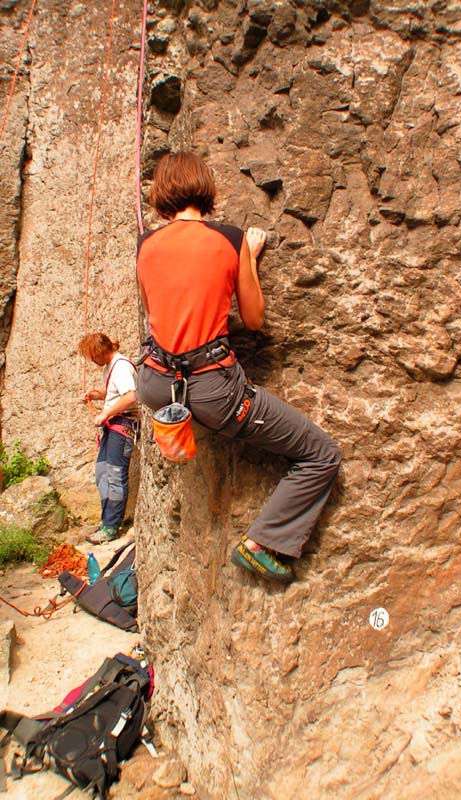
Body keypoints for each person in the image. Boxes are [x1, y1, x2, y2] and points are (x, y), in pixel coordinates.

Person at [136, 151, 341, 584]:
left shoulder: (145, 245)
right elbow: (253, 319)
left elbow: (161, 308)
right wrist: (247, 255)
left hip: (154, 382)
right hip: (213, 390)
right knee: (321, 455)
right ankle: (265, 542)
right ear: (205, 187)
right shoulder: (229, 239)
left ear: (162, 192)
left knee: (177, 394)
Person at [79, 333, 140, 545]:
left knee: (114, 475)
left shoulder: (122, 366)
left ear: (100, 351)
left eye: (92, 356)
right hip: (112, 427)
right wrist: (98, 395)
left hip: (122, 426)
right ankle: (107, 521)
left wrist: (105, 414)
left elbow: (131, 396)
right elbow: (116, 392)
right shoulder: (111, 366)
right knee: (102, 473)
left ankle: (111, 527)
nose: (92, 361)